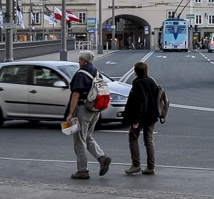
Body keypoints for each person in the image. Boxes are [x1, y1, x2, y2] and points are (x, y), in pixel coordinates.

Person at [64, 50, 112, 180]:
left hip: (82, 109)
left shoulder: (81, 74)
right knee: (87, 137)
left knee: (79, 140)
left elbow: (75, 94)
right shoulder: (96, 72)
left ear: (83, 61)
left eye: (79, 60)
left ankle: (82, 170)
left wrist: (70, 113)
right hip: (94, 110)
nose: (78, 62)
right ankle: (102, 158)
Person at [123, 62, 159, 175]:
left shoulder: (137, 83)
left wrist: (135, 121)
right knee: (149, 140)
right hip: (152, 116)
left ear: (137, 71)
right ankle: (151, 167)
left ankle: (136, 165)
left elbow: (137, 104)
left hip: (141, 117)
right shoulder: (151, 81)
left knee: (133, 138)